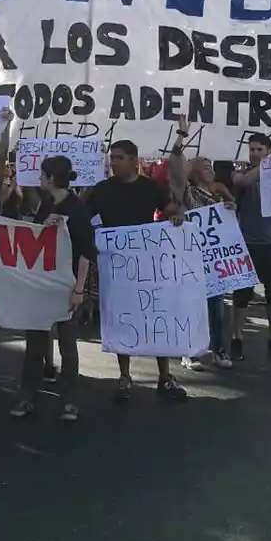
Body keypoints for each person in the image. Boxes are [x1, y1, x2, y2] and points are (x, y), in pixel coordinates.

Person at [86, 139, 189, 402]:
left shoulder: (150, 188)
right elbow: (85, 217)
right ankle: (124, 377)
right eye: (112, 157)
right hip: (116, 267)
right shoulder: (100, 189)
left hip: (148, 266)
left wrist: (176, 215)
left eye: (119, 157)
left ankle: (164, 376)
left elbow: (168, 209)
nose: (113, 162)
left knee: (156, 316)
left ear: (134, 160)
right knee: (123, 320)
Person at [10, 156, 95, 421]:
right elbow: (35, 241)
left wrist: (79, 289)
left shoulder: (77, 208)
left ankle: (69, 401)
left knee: (68, 348)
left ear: (50, 178)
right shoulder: (46, 206)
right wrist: (43, 228)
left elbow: (85, 253)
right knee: (34, 345)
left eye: (41, 175)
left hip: (67, 285)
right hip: (43, 286)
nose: (38, 179)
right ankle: (28, 397)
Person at [167, 117, 234, 370]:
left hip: (214, 261)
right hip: (190, 259)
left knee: (217, 309)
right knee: (193, 307)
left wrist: (230, 209)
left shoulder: (218, 196)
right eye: (202, 163)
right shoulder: (187, 194)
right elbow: (175, 169)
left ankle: (218, 349)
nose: (208, 166)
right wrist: (181, 138)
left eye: (210, 164)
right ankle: (190, 352)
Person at [229, 134, 271, 361]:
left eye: (260, 150)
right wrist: (269, 163)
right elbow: (242, 182)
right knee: (242, 295)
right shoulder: (242, 172)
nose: (255, 153)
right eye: (252, 149)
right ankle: (237, 338)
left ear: (268, 150)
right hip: (248, 243)